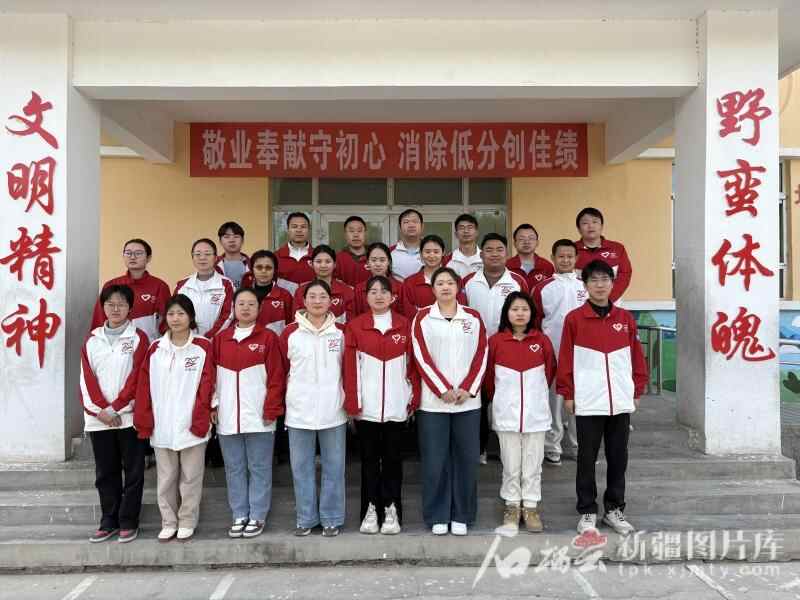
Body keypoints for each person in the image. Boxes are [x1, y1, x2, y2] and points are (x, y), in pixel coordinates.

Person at [556, 260, 648, 536]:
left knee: (618, 457)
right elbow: (566, 358)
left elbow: (636, 357)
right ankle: (587, 510)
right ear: (585, 285)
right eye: (594, 280)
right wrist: (568, 392)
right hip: (588, 400)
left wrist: (637, 389)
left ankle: (614, 509)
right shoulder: (574, 319)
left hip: (619, 400)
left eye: (605, 279)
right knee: (586, 457)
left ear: (612, 283)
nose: (600, 285)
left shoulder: (625, 318)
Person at [411, 267, 488, 536]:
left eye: (450, 283)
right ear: (433, 289)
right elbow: (421, 357)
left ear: (458, 288)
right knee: (435, 460)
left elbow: (482, 354)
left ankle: (462, 515)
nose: (445, 287)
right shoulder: (422, 317)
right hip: (433, 403)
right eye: (440, 283)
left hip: (467, 403)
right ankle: (438, 515)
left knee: (466, 459)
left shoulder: (473, 318)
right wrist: (442, 389)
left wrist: (468, 388)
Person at [134, 294, 215, 542]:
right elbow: (144, 386)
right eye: (171, 314)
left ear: (191, 317)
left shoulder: (203, 347)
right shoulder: (155, 348)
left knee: (191, 477)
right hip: (163, 424)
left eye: (181, 313)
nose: (176, 318)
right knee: (166, 478)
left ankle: (187, 520)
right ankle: (169, 521)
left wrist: (203, 415)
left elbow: (209, 384)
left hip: (193, 423)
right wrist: (145, 418)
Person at [343, 276, 420, 535]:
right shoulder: (355, 327)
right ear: (365, 297)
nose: (379, 296)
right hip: (367, 409)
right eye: (373, 291)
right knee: (368, 462)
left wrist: (412, 398)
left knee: (393, 461)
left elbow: (413, 367)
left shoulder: (405, 325)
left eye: (384, 291)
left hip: (397, 408)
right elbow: (350, 369)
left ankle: (391, 509)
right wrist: (354, 403)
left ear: (393, 297)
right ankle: (370, 509)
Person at [212, 288, 285, 539]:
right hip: (228, 416)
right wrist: (213, 405)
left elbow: (277, 378)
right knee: (234, 468)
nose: (245, 308)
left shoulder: (268, 338)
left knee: (259, 468)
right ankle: (239, 514)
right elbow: (211, 378)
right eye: (241, 303)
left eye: (251, 304)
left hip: (259, 416)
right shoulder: (221, 340)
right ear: (233, 308)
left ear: (259, 308)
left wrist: (271, 409)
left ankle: (257, 515)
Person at [279, 280, 347, 537]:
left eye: (322, 296)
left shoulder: (341, 332)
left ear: (331, 301)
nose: (317, 301)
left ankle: (331, 517)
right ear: (304, 301)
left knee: (334, 468)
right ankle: (306, 518)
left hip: (333, 411)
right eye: (312, 297)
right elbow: (281, 371)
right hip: (299, 412)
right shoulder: (290, 333)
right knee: (301, 469)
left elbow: (348, 370)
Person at [82, 284, 149, 544]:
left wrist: (116, 407)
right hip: (99, 420)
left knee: (133, 472)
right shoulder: (92, 340)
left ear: (130, 308)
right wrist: (101, 410)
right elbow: (86, 380)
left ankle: (128, 521)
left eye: (121, 304)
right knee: (105, 473)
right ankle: (108, 521)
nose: (116, 308)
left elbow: (138, 378)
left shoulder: (139, 338)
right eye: (110, 304)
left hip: (128, 418)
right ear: (103, 307)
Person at [485, 292, 556, 534]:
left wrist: (535, 397)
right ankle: (512, 505)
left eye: (524, 309)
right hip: (507, 414)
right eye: (515, 309)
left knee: (533, 463)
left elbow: (549, 372)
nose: (520, 313)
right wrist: (502, 400)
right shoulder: (496, 342)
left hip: (536, 414)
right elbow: (489, 379)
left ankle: (531, 506)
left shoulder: (542, 341)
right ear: (506, 313)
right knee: (511, 464)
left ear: (532, 313)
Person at [462, 233, 528, 465]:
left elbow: (527, 313)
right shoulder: (468, 281)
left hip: (507, 349)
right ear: (481, 254)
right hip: (474, 351)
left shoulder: (517, 281)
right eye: (489, 250)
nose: (494, 254)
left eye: (499, 249)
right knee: (478, 401)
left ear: (507, 253)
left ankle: (505, 449)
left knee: (506, 399)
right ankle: (480, 448)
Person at [532, 239, 588, 466]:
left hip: (583, 354)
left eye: (570, 256)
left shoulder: (586, 285)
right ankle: (552, 446)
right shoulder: (543, 287)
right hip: (553, 353)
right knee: (553, 402)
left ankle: (579, 446)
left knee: (580, 401)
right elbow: (535, 321)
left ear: (576, 259)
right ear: (553, 258)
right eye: (561, 256)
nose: (565, 260)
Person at [90, 238, 171, 343]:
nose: (132, 257)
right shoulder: (111, 285)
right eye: (128, 253)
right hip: (115, 346)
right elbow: (99, 319)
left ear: (148, 258)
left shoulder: (159, 286)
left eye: (138, 253)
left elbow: (168, 322)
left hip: (148, 347)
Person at [173, 238, 234, 339]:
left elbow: (228, 316)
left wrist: (208, 338)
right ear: (192, 258)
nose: (202, 258)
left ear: (215, 258)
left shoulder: (226, 284)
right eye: (197, 254)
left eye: (207, 254)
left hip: (215, 341)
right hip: (187, 341)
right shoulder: (182, 285)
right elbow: (175, 313)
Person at [574, 207, 632, 302]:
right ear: (579, 229)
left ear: (601, 226)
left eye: (595, 222)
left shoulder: (617, 248)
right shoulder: (572, 250)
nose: (590, 226)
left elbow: (625, 275)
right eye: (585, 223)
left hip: (611, 303)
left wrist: (607, 300)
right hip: (580, 303)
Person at [401, 234, 462, 319]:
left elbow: (461, 308)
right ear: (421, 254)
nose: (432, 255)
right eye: (427, 252)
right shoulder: (409, 283)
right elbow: (408, 313)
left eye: (436, 252)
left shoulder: (455, 280)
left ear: (443, 253)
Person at [293, 245, 355, 324]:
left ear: (335, 264)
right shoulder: (301, 292)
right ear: (311, 264)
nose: (323, 265)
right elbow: (297, 322)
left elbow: (351, 323)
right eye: (318, 261)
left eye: (328, 261)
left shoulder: (347, 291)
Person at [241, 250, 294, 335]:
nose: (263, 271)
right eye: (259, 267)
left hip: (276, 342)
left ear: (275, 270)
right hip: (248, 341)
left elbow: (291, 325)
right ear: (252, 269)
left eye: (268, 268)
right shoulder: (243, 295)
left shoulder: (285, 296)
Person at [352, 242, 404, 317]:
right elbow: (355, 318)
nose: (378, 264)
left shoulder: (400, 288)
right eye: (374, 260)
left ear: (389, 262)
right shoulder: (359, 289)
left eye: (382, 260)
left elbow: (404, 317)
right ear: (368, 262)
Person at [506, 224, 555, 291]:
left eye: (531, 238)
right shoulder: (507, 266)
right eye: (521, 239)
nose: (526, 242)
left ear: (537, 242)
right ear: (515, 243)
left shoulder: (547, 266)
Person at [275, 212, 314, 294]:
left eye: (303, 227)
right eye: (294, 226)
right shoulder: (276, 257)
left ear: (309, 230)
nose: (299, 230)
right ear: (288, 230)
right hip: (284, 300)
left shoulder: (317, 257)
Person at [335, 216, 371, 287]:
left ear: (365, 234)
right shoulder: (337, 259)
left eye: (359, 231)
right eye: (351, 231)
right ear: (345, 235)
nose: (356, 235)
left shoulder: (374, 257)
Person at [390, 209, 424, 281]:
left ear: (422, 226)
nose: (411, 225)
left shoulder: (432, 252)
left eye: (415, 221)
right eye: (406, 222)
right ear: (400, 227)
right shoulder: (389, 252)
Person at [215, 221, 249, 289]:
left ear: (242, 240)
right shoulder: (214, 264)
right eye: (226, 237)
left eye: (236, 236)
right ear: (220, 241)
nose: (231, 240)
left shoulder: (252, 264)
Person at [448, 214, 483, 278]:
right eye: (461, 228)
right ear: (456, 234)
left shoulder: (486, 258)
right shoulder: (447, 260)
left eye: (470, 227)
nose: (466, 231)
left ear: (477, 232)